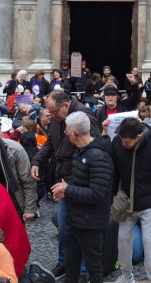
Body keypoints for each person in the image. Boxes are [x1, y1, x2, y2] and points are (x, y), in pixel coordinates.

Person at [31, 90, 99, 279]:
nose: (52, 117)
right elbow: (50, 144)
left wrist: (72, 182)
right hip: (62, 180)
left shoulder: (84, 117)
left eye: (55, 113)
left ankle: (84, 269)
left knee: (81, 227)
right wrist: (37, 162)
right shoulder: (56, 118)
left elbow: (91, 149)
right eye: (50, 113)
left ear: (66, 106)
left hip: (78, 181)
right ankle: (64, 263)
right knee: (64, 225)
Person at [109, 117, 151, 283]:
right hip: (126, 201)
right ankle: (126, 275)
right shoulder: (117, 143)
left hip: (150, 202)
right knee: (123, 238)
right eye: (122, 140)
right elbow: (113, 174)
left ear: (138, 137)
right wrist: (112, 201)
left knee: (148, 240)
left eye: (127, 142)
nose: (124, 144)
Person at [56, 111, 113, 283]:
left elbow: (97, 193)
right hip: (76, 218)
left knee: (94, 267)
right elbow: (80, 182)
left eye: (66, 132)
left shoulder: (99, 157)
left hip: (92, 222)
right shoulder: (81, 152)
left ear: (73, 134)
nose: (67, 135)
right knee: (71, 264)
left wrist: (67, 190)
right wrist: (65, 189)